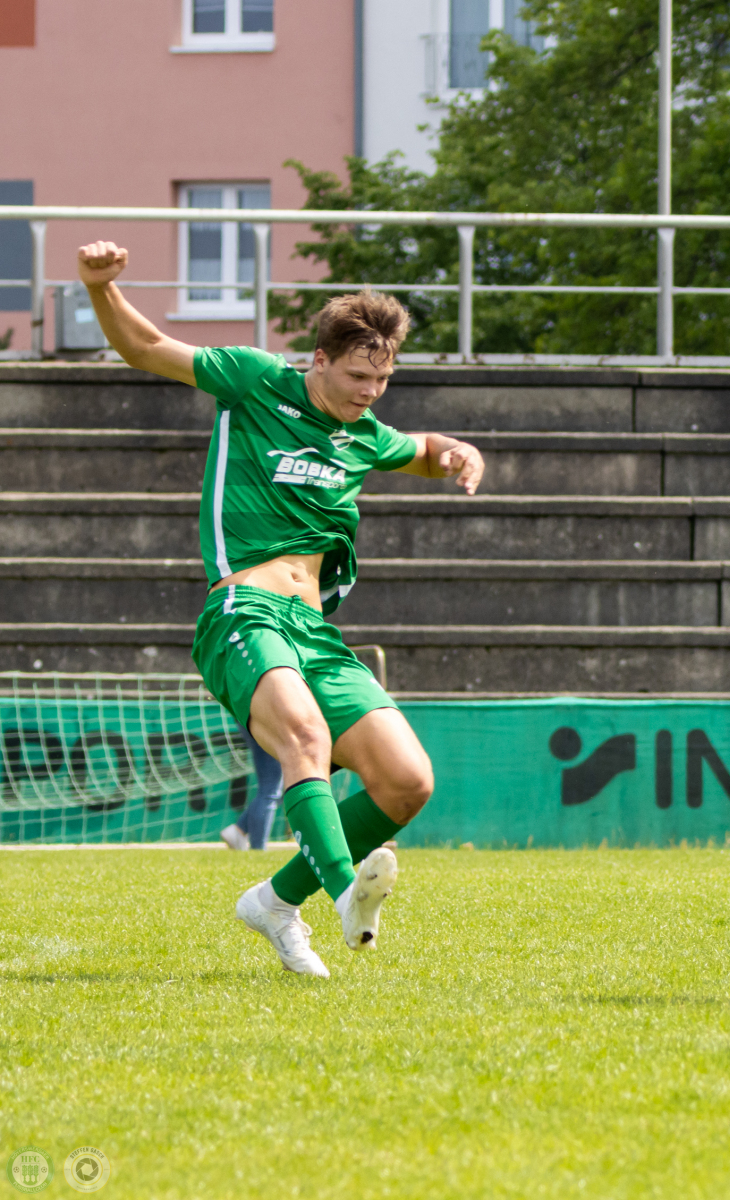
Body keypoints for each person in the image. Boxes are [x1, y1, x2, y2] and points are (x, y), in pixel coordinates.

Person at [78, 240, 485, 977]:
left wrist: (456, 451)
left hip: (315, 631)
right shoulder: (256, 381)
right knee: (305, 736)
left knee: (407, 780)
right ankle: (345, 894)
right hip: (244, 612)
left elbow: (418, 449)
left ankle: (274, 902)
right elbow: (145, 347)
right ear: (318, 359)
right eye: (358, 375)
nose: (370, 391)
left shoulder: (363, 434)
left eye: (383, 379)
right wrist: (100, 287)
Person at [220, 721, 284, 851]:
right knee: (270, 789)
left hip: (249, 718)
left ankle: (240, 829)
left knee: (275, 788)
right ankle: (258, 848)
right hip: (266, 720)